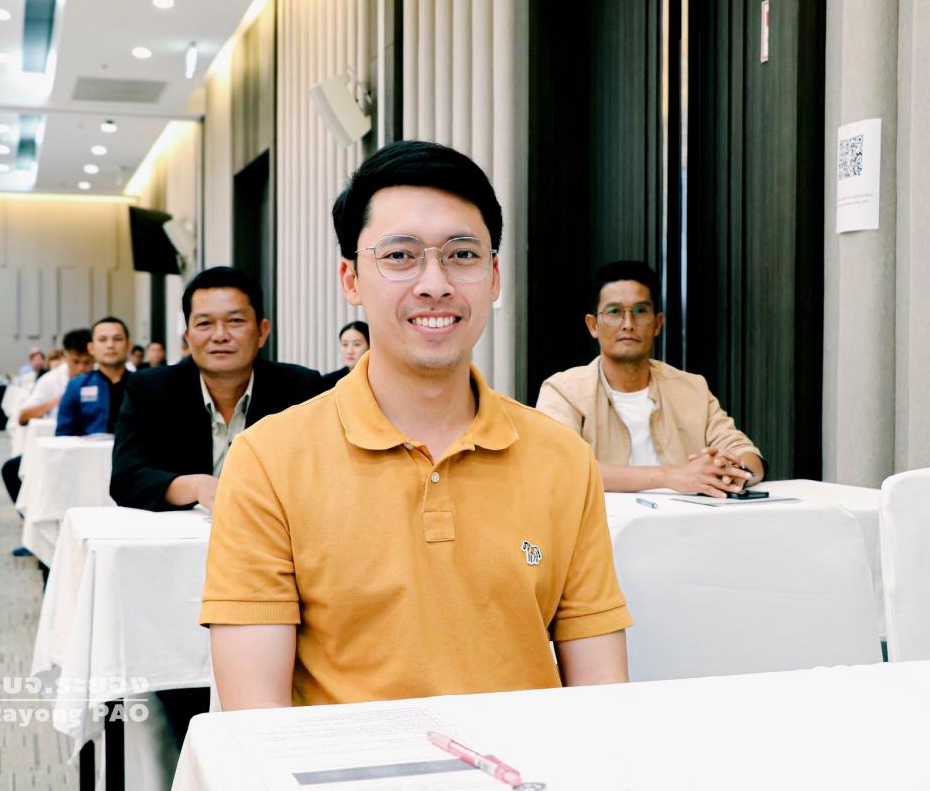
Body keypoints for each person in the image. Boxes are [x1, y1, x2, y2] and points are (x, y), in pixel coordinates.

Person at [202, 141, 631, 711]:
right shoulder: (268, 460)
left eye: (462, 254)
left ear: (494, 276)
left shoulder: (563, 458)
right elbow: (257, 717)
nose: (435, 283)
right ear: (351, 279)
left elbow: (602, 693)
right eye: (401, 255)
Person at [535, 260, 764, 496]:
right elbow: (561, 466)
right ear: (593, 325)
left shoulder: (691, 388)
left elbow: (746, 453)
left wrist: (729, 471)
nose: (628, 324)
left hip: (686, 518)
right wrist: (670, 476)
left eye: (640, 311)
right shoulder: (563, 391)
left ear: (657, 324)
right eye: (614, 312)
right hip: (604, 519)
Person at [110, 267, 325, 513]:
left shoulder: (300, 388)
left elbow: (323, 473)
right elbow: (125, 479)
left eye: (235, 321)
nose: (220, 336)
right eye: (205, 323)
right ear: (188, 337)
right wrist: (196, 487)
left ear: (262, 332)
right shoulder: (149, 389)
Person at [0, 329, 94, 505]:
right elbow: (23, 417)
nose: (81, 368)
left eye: (87, 363)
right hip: (58, 447)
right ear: (65, 356)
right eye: (75, 362)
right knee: (11, 470)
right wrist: (58, 401)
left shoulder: (100, 376)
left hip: (93, 448)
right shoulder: (50, 380)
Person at [56, 317, 130, 436]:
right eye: (102, 339)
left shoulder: (144, 385)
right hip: (87, 448)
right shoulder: (76, 386)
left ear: (128, 346)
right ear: (91, 348)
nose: (110, 345)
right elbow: (63, 435)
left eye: (117, 339)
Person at [322, 320, 370, 387]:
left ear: (369, 346)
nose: (349, 351)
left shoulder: (377, 379)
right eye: (345, 344)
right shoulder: (327, 382)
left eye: (357, 344)